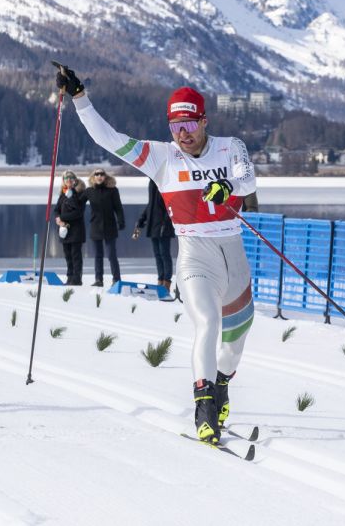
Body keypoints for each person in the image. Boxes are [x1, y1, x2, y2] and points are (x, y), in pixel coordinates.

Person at [57, 66, 255, 445]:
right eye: (175, 126)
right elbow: (110, 139)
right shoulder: (161, 156)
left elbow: (248, 180)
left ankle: (221, 386)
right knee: (207, 324)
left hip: (234, 256)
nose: (183, 134)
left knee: (234, 343)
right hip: (195, 257)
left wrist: (226, 185)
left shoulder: (231, 146)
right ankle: (204, 408)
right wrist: (80, 98)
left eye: (189, 125)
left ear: (204, 121)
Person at [82, 168, 124, 286]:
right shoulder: (89, 191)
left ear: (105, 177)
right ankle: (98, 280)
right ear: (93, 176)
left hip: (110, 226)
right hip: (95, 226)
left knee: (111, 255)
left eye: (101, 174)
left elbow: (118, 207)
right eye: (97, 174)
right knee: (98, 256)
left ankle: (116, 280)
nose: (99, 176)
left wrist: (121, 221)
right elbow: (78, 203)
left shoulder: (112, 190)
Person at [134, 178, 175, 289]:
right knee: (157, 254)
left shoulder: (166, 181)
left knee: (164, 254)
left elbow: (169, 204)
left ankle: (167, 282)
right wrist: (142, 218)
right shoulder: (152, 182)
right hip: (153, 225)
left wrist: (165, 223)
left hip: (163, 225)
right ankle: (160, 279)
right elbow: (151, 204)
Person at [53, 171, 86, 285]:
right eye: (66, 178)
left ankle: (77, 278)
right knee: (67, 255)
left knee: (75, 255)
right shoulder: (63, 193)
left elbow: (78, 212)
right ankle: (70, 277)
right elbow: (56, 209)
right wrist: (58, 218)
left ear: (75, 180)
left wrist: (62, 217)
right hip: (64, 230)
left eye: (71, 178)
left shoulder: (80, 193)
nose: (68, 180)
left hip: (76, 230)